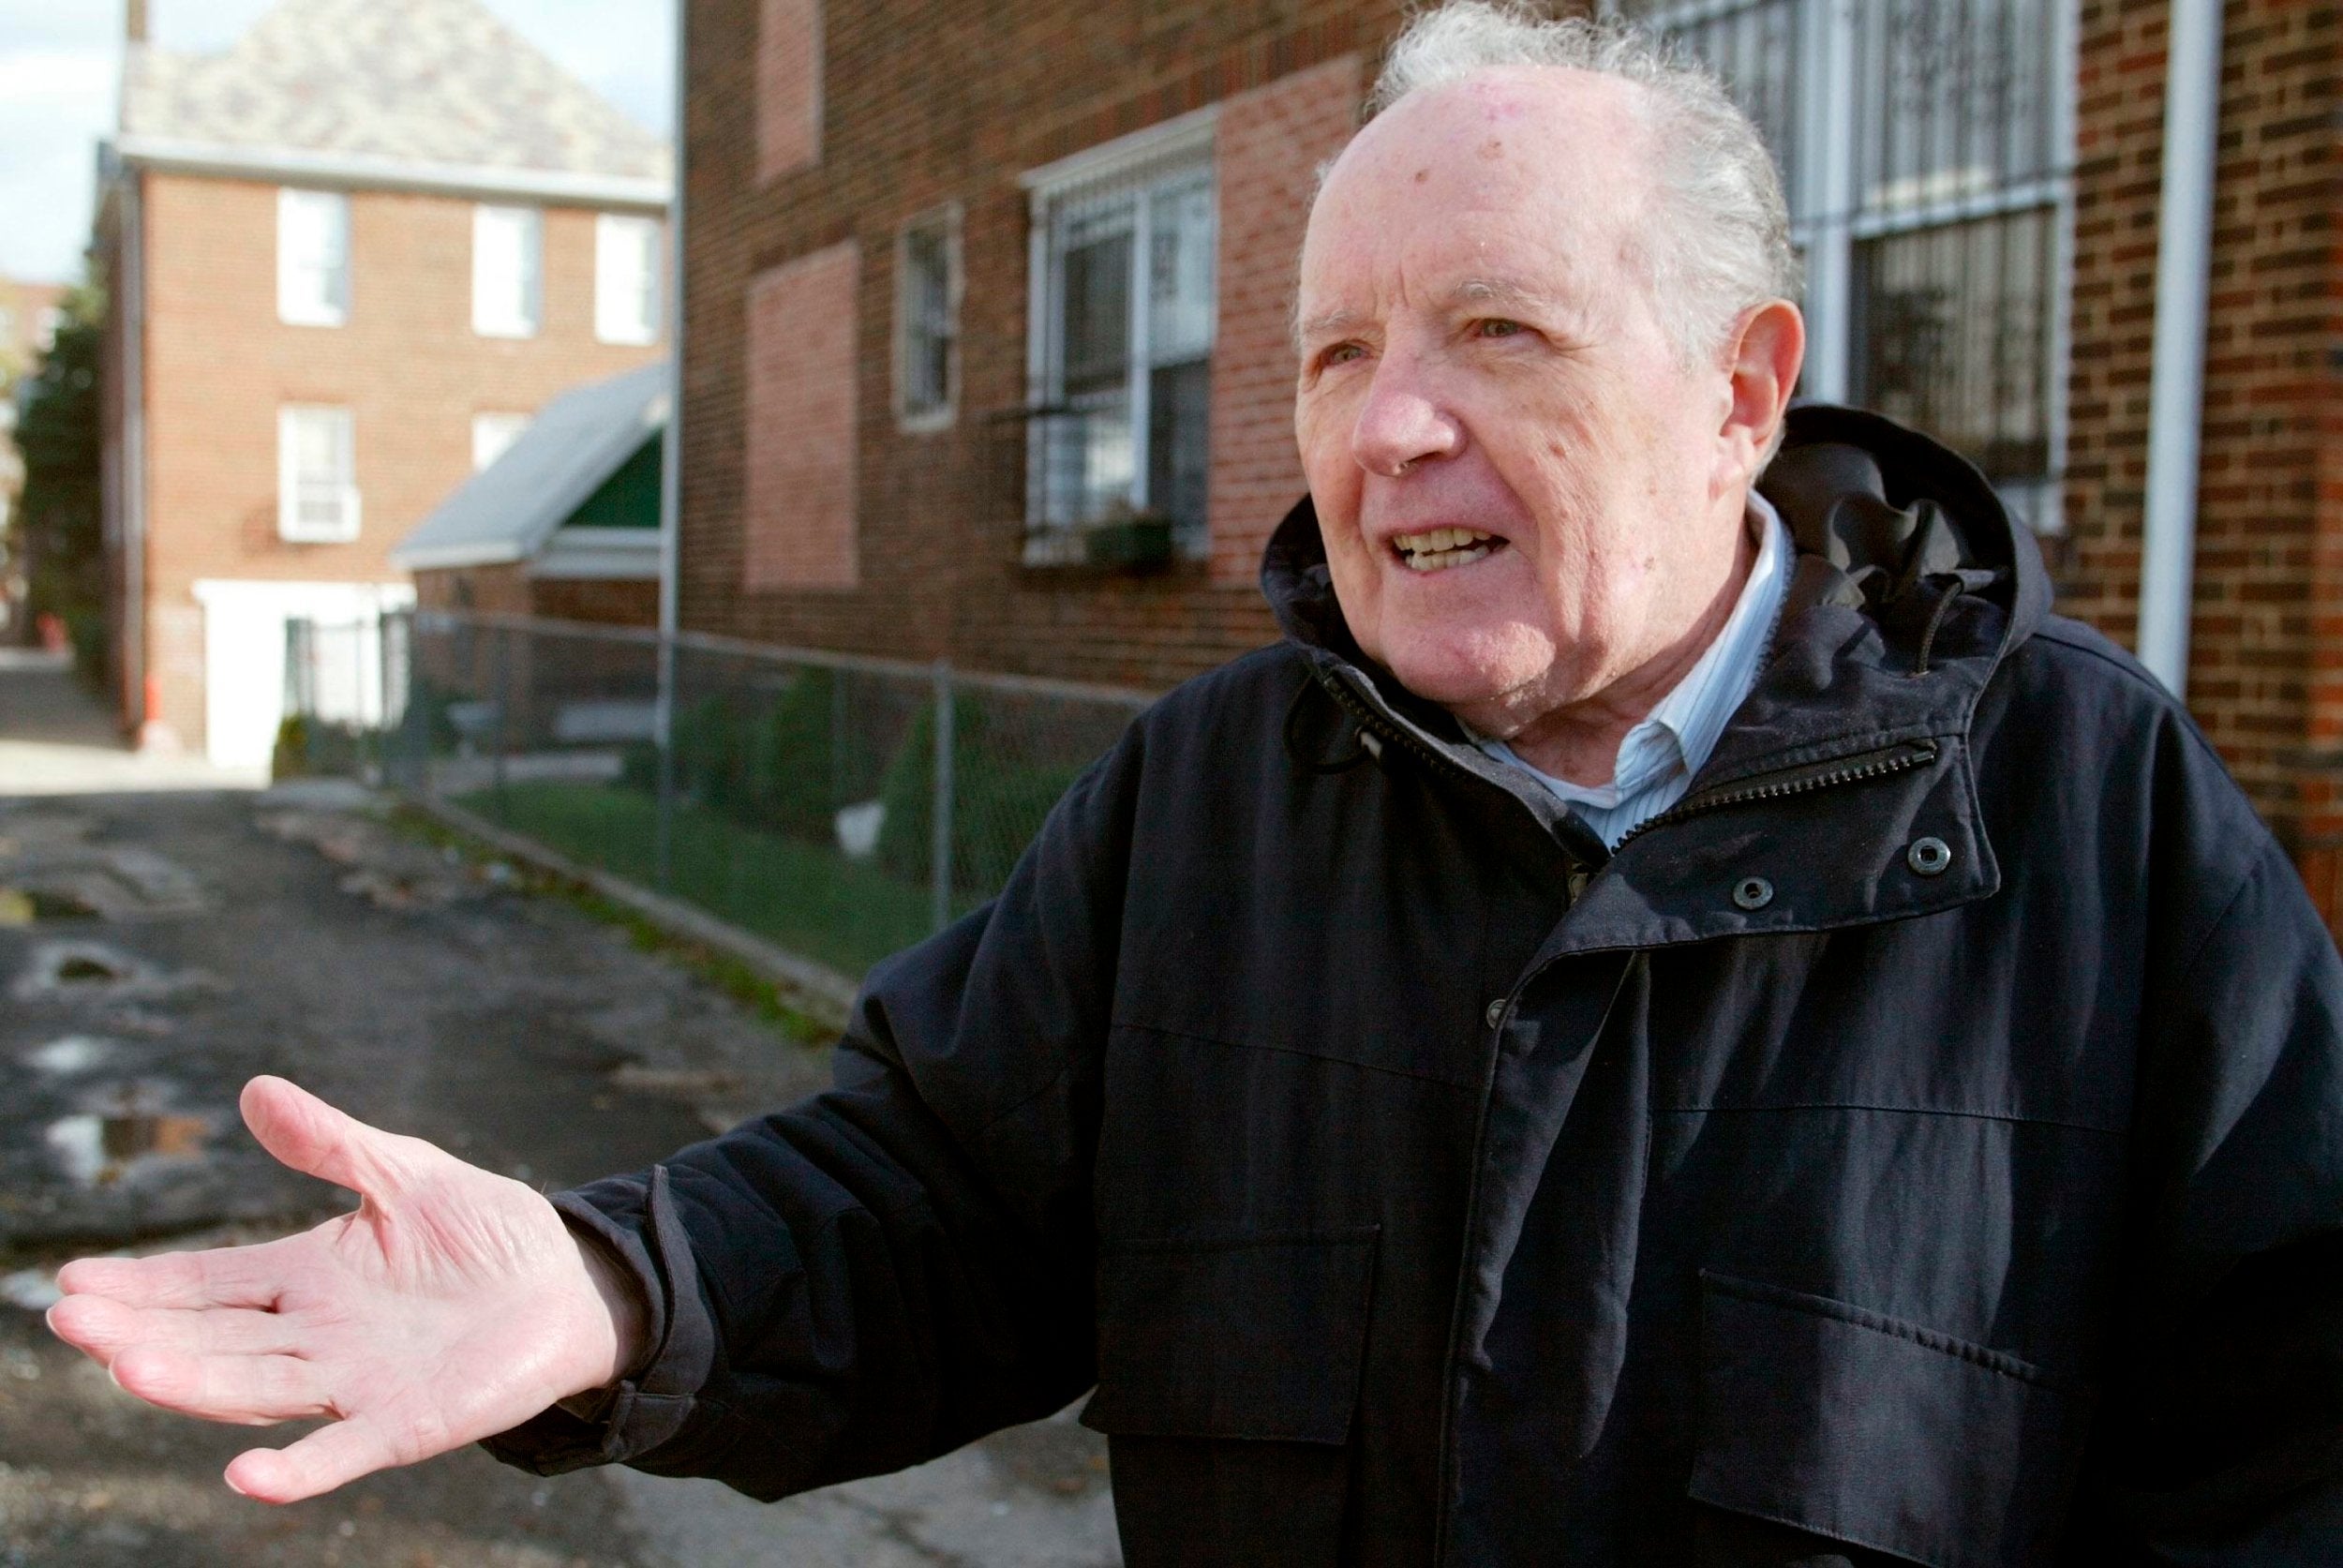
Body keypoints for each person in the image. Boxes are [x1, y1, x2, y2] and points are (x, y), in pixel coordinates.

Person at [48, 5, 2343, 1562]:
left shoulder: (2080, 812)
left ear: (1741, 385)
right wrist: (602, 1293)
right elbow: (925, 1206)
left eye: (1496, 333)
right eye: (1335, 350)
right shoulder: (1206, 804)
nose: (1381, 428)